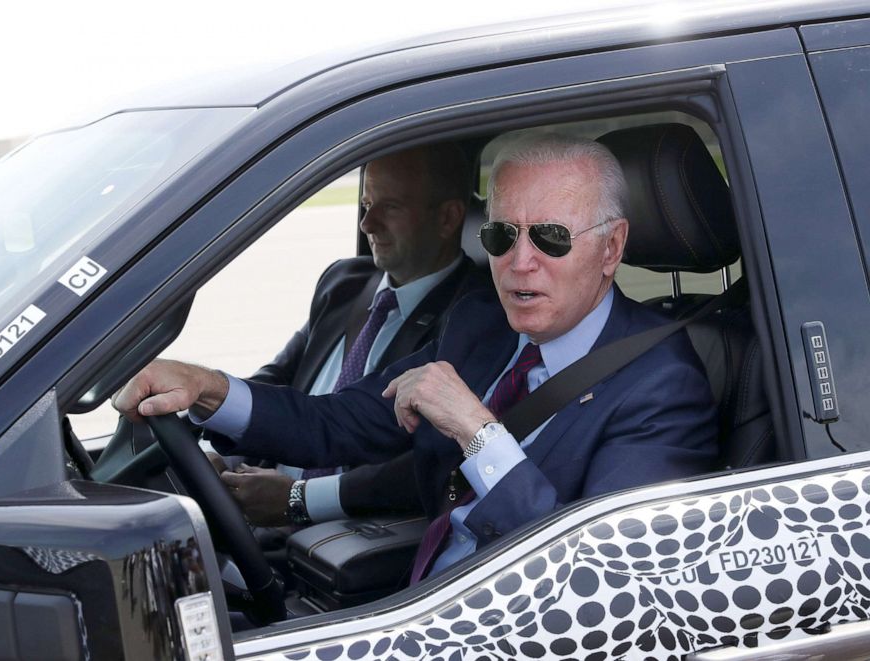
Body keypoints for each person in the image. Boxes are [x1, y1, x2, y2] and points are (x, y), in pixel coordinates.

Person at [114, 133, 717, 582]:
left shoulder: (663, 385)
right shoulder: (480, 326)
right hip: (423, 600)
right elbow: (336, 422)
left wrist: (476, 432)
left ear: (611, 248)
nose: (519, 262)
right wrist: (206, 387)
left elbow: (606, 579)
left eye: (551, 238)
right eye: (502, 236)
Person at [207, 142, 489, 529]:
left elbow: (418, 462)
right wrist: (215, 437)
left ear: (447, 218)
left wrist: (296, 498)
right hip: (259, 497)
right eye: (366, 204)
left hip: (346, 530)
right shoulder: (343, 282)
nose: (367, 224)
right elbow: (278, 377)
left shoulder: (472, 317)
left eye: (389, 207)